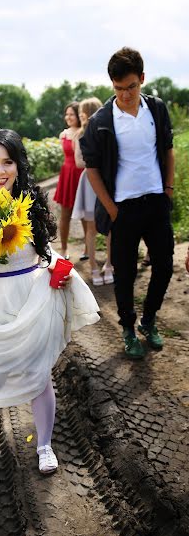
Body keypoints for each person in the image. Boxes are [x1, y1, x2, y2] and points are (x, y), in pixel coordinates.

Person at [0, 129, 100, 474]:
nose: (0, 171)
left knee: (39, 374)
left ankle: (45, 445)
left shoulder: (32, 203)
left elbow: (43, 253)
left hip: (32, 301)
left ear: (18, 165)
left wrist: (57, 269)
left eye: (7, 162)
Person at [80, 47, 174, 359]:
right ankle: (128, 329)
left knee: (163, 266)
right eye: (118, 89)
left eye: (131, 87)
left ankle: (149, 320)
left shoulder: (156, 110)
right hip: (123, 209)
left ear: (142, 80)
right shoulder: (101, 121)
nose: (126, 95)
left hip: (156, 202)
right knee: (124, 273)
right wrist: (111, 208)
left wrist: (169, 190)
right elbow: (91, 169)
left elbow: (168, 150)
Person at [72, 97, 113, 286]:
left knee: (109, 224)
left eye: (83, 115)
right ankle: (94, 266)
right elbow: (79, 162)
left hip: (105, 179)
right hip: (89, 180)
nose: (82, 119)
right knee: (91, 228)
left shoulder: (105, 131)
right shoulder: (79, 136)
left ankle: (110, 264)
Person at [53, 102, 85, 260]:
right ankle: (64, 249)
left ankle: (87, 248)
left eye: (71, 114)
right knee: (65, 213)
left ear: (79, 115)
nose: (68, 117)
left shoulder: (83, 132)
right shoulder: (63, 134)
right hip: (67, 174)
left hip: (81, 174)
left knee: (86, 214)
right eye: (67, 114)